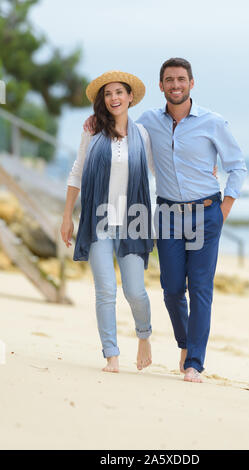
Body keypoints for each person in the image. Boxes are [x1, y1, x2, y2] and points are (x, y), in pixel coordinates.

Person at [84, 58, 247, 384]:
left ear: (191, 84)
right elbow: (120, 130)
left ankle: (194, 363)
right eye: (169, 80)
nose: (175, 85)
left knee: (200, 288)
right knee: (172, 289)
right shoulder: (147, 123)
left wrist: (223, 209)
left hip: (205, 214)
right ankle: (185, 341)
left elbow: (237, 166)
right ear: (161, 86)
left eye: (181, 80)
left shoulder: (213, 123)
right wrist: (95, 122)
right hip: (168, 214)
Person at [61, 71, 154, 374]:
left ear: (129, 98)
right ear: (103, 100)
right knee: (105, 290)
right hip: (98, 221)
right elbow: (77, 172)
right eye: (108, 93)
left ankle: (144, 336)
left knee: (136, 292)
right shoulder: (92, 132)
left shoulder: (142, 135)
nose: (114, 98)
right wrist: (67, 217)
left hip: (134, 222)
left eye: (119, 92)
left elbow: (160, 171)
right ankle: (111, 355)